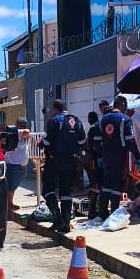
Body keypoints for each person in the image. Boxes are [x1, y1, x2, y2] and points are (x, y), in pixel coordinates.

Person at [43, 99, 86, 233]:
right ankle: (66, 224)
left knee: (47, 190)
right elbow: (82, 141)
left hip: (55, 160)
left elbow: (46, 141)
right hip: (71, 160)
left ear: (56, 109)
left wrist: (42, 143)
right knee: (66, 192)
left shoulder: (55, 121)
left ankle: (58, 220)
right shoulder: (77, 121)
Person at [99, 94, 140, 218]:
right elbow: (130, 140)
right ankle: (114, 212)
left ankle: (102, 212)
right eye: (125, 104)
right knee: (117, 183)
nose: (126, 106)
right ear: (122, 104)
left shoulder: (104, 119)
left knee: (106, 183)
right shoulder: (125, 119)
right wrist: (137, 156)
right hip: (119, 155)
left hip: (106, 155)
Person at [4, 117, 30, 216]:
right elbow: (27, 132)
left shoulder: (19, 133)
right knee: (11, 185)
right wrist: (24, 131)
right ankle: (9, 205)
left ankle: (10, 204)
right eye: (22, 125)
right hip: (13, 163)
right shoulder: (17, 132)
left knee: (14, 185)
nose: (24, 127)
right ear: (18, 125)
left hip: (17, 164)